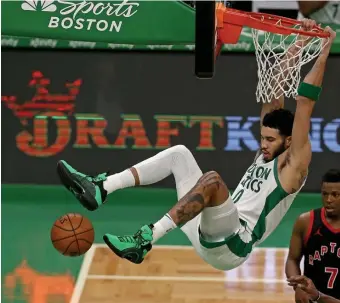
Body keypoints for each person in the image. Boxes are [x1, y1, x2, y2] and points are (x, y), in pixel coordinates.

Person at [56, 22, 335, 270]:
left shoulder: (294, 163)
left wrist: (323, 49)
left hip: (233, 243)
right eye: (262, 137)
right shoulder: (267, 152)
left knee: (212, 180)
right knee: (179, 155)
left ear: (288, 141)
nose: (262, 144)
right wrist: (297, 44)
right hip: (208, 230)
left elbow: (305, 102)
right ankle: (101, 188)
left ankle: (144, 239)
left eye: (270, 140)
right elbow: (274, 92)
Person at [285, 169, 340, 303]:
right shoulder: (306, 222)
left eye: (335, 195)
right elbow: (292, 259)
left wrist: (318, 296)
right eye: (325, 194)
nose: (329, 199)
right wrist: (297, 287)